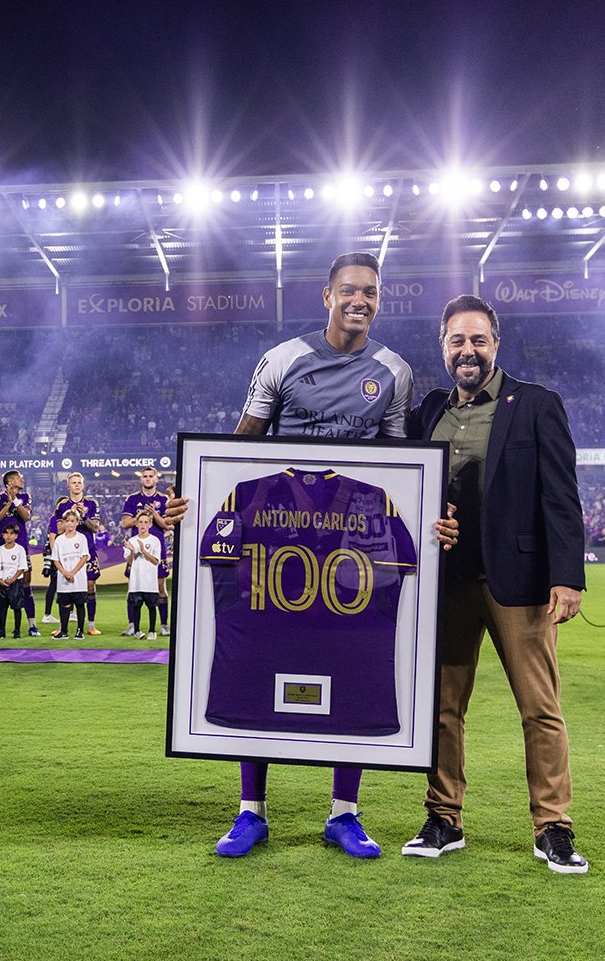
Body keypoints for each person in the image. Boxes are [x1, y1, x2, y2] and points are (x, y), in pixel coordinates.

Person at [217, 251, 414, 861]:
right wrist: (200, 500)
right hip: (278, 538)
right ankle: (251, 811)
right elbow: (240, 449)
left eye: (372, 293)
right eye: (350, 291)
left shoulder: (395, 371)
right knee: (260, 659)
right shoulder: (283, 360)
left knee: (352, 664)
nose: (361, 301)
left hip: (352, 545)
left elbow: (402, 465)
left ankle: (344, 815)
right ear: (325, 296)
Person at [401, 295, 588, 874]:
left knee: (540, 709)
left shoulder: (536, 404)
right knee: (441, 709)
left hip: (521, 581)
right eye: (457, 340)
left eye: (478, 340)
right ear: (443, 345)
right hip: (449, 579)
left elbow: (560, 496)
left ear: (495, 345)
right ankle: (443, 817)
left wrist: (567, 578)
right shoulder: (429, 409)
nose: (468, 351)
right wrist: (432, 515)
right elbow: (411, 485)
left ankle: (553, 827)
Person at [49, 472, 103, 635]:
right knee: (66, 588)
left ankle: (91, 625)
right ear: (68, 486)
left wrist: (84, 516)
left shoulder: (91, 504)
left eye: (79, 482)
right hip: (67, 552)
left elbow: (95, 528)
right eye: (74, 482)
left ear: (83, 485)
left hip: (87, 551)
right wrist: (71, 515)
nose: (77, 485)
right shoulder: (62, 505)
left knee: (90, 587)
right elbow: (56, 529)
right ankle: (63, 627)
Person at [120, 466, 171, 635]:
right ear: (141, 480)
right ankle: (132, 625)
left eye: (151, 476)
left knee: (161, 586)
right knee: (133, 585)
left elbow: (168, 525)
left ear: (156, 479)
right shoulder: (132, 499)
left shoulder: (163, 500)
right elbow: (126, 524)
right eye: (145, 476)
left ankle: (163, 625)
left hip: (157, 547)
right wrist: (141, 516)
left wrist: (155, 515)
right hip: (136, 546)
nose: (148, 479)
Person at [0, 470, 39, 636]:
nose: (22, 479)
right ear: (10, 481)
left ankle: (32, 626)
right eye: (20, 477)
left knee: (25, 586)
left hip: (21, 547)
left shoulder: (25, 497)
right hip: (0, 548)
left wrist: (15, 501)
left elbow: (26, 517)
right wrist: (8, 503)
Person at [50, 510, 89, 639]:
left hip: (78, 579)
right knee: (64, 605)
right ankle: (64, 631)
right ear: (63, 523)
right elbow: (56, 559)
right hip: (64, 579)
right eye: (67, 521)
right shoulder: (59, 540)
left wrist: (73, 572)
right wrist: (65, 572)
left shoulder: (81, 538)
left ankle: (80, 631)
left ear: (77, 522)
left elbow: (84, 557)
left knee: (79, 605)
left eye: (72, 521)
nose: (69, 524)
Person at [122, 511, 161, 639]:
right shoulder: (132, 541)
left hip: (150, 582)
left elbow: (156, 561)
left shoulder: (155, 541)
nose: (143, 525)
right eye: (140, 522)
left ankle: (152, 631)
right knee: (136, 607)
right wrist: (133, 551)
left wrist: (143, 550)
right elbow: (130, 561)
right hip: (136, 581)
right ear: (137, 524)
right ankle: (137, 631)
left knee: (151, 607)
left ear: (150, 524)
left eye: (145, 522)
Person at [0, 522, 28, 637]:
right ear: (2, 535)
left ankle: (17, 631)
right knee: (2, 608)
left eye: (12, 533)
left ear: (16, 536)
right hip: (1, 582)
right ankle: (1, 631)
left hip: (15, 582)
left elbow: (22, 567)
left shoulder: (20, 550)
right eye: (6, 533)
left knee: (17, 607)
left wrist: (13, 579)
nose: (9, 536)